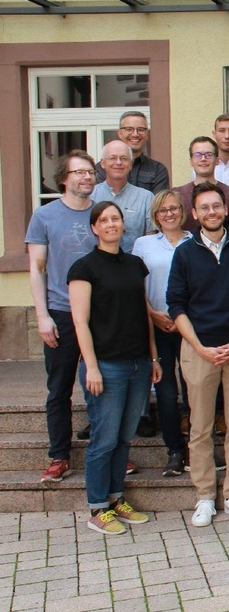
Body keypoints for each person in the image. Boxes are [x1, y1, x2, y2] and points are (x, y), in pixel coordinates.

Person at [167, 181, 229, 528]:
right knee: (200, 428)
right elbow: (176, 305)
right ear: (194, 214)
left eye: (216, 206)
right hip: (199, 351)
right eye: (204, 207)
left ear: (226, 210)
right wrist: (199, 347)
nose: (211, 212)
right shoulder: (184, 252)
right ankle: (205, 496)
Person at [68, 201, 160, 535]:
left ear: (123, 224)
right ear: (94, 228)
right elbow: (80, 322)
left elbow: (143, 313)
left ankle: (117, 497)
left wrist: (152, 358)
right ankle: (97, 506)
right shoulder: (84, 268)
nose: (111, 224)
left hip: (137, 363)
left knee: (123, 438)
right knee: (103, 440)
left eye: (116, 219)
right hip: (105, 365)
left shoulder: (135, 264)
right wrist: (91, 367)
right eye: (104, 220)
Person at [27, 150, 97, 483]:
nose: (87, 177)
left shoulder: (102, 215)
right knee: (59, 389)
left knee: (100, 385)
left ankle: (105, 449)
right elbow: (37, 268)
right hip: (61, 313)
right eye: (79, 172)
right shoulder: (44, 216)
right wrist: (43, 316)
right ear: (64, 179)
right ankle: (59, 455)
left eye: (90, 171)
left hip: (100, 315)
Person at [132, 190, 191, 476]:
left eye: (174, 208)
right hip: (157, 326)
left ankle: (197, 447)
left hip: (190, 327)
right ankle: (175, 451)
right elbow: (134, 286)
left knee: (194, 390)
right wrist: (152, 315)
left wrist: (183, 319)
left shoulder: (196, 241)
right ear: (155, 215)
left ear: (183, 211)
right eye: (163, 210)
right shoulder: (143, 244)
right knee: (166, 393)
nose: (169, 214)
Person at [92, 140, 153, 252]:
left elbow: (150, 240)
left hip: (134, 264)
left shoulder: (146, 198)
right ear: (102, 163)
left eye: (124, 158)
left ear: (131, 164)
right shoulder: (91, 196)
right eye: (112, 158)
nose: (118, 162)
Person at [177, 135, 229, 235]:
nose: (203, 159)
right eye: (197, 155)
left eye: (209, 154)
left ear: (217, 160)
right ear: (191, 161)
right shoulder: (177, 195)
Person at [97, 111, 169, 194]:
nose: (135, 134)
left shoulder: (158, 170)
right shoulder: (102, 168)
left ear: (147, 134)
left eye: (141, 129)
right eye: (129, 129)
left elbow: (158, 205)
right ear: (120, 133)